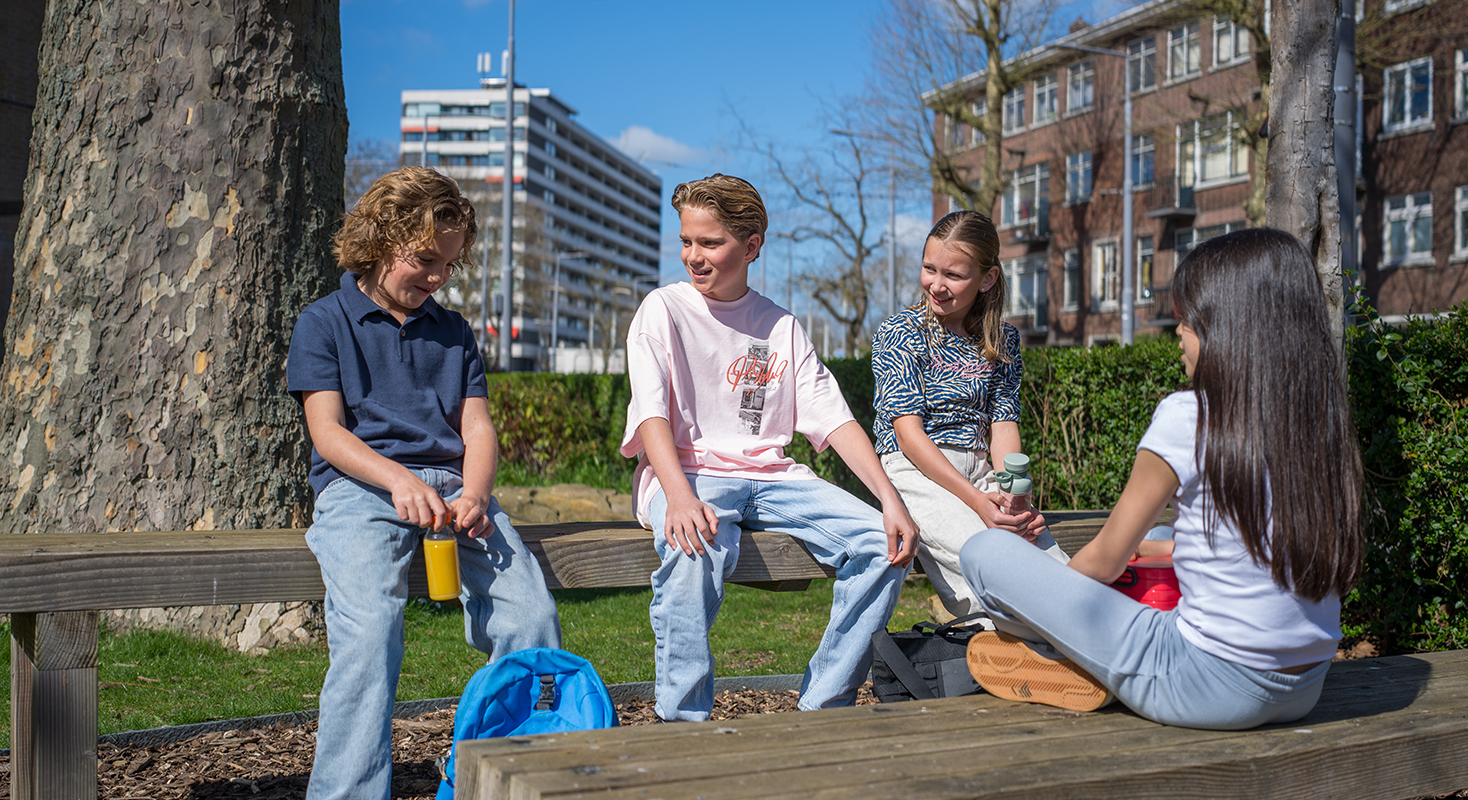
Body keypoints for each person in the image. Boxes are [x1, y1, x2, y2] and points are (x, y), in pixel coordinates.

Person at [960, 227, 1364, 730]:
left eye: (1188, 319)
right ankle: (1096, 650)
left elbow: (1103, 561)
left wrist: (1056, 605)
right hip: (1305, 687)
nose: (1178, 332)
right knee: (1159, 536)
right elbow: (1258, 543)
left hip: (1202, 684)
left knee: (984, 552)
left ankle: (1067, 654)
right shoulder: (1317, 420)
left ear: (1230, 328)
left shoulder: (1188, 415)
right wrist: (1150, 553)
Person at [287, 167, 561, 798]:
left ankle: (497, 779)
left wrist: (476, 493)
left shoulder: (455, 332)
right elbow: (328, 434)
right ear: (377, 243)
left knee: (532, 618)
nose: (437, 278)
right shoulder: (323, 322)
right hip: (359, 487)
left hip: (454, 492)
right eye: (424, 261)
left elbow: (480, 431)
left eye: (449, 265)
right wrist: (396, 481)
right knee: (370, 631)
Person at [621, 173, 919, 722]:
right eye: (686, 241)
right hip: (690, 475)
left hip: (774, 480)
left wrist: (889, 500)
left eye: (710, 243)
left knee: (884, 545)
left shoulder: (780, 326)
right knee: (695, 548)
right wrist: (679, 495)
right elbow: (652, 413)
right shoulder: (662, 310)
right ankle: (682, 723)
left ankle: (822, 707)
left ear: (752, 246)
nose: (694, 256)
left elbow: (836, 420)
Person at [871, 210, 1070, 621]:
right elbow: (909, 436)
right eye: (929, 269)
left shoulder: (1003, 339)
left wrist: (1013, 494)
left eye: (954, 275)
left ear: (987, 279)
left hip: (983, 472)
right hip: (916, 468)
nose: (937, 285)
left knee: (1058, 572)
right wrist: (979, 502)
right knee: (990, 566)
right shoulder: (900, 332)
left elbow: (1004, 424)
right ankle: (1011, 656)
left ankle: (1066, 660)